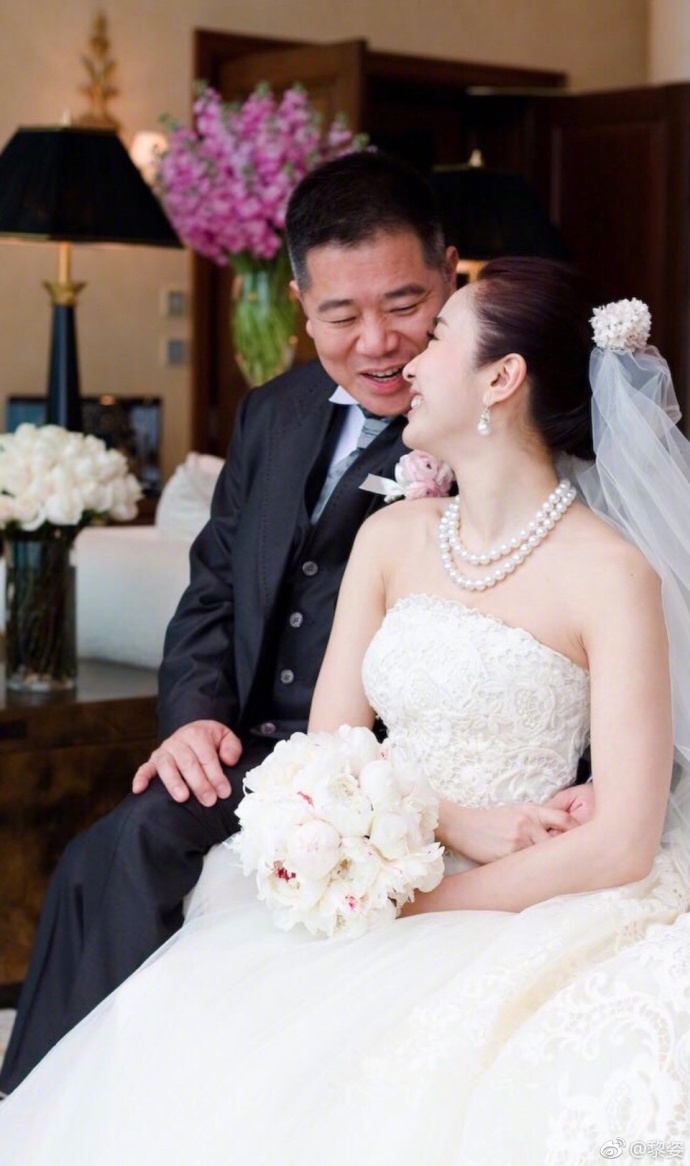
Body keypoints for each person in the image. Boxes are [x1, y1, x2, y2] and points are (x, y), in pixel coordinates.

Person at [1, 258, 688, 1163]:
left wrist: (437, 902)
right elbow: (326, 755)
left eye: (436, 335)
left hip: (531, 893)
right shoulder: (392, 536)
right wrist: (441, 833)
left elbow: (623, 843)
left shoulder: (610, 573)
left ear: (502, 378)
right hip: (385, 866)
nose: (409, 360)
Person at [0, 150, 461, 1096]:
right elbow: (213, 589)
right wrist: (193, 718)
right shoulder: (272, 413)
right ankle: (43, 1109)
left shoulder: (489, 418)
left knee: (131, 853)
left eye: (405, 304)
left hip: (391, 760)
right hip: (250, 745)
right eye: (342, 315)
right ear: (301, 305)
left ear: (449, 275)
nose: (378, 342)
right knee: (106, 855)